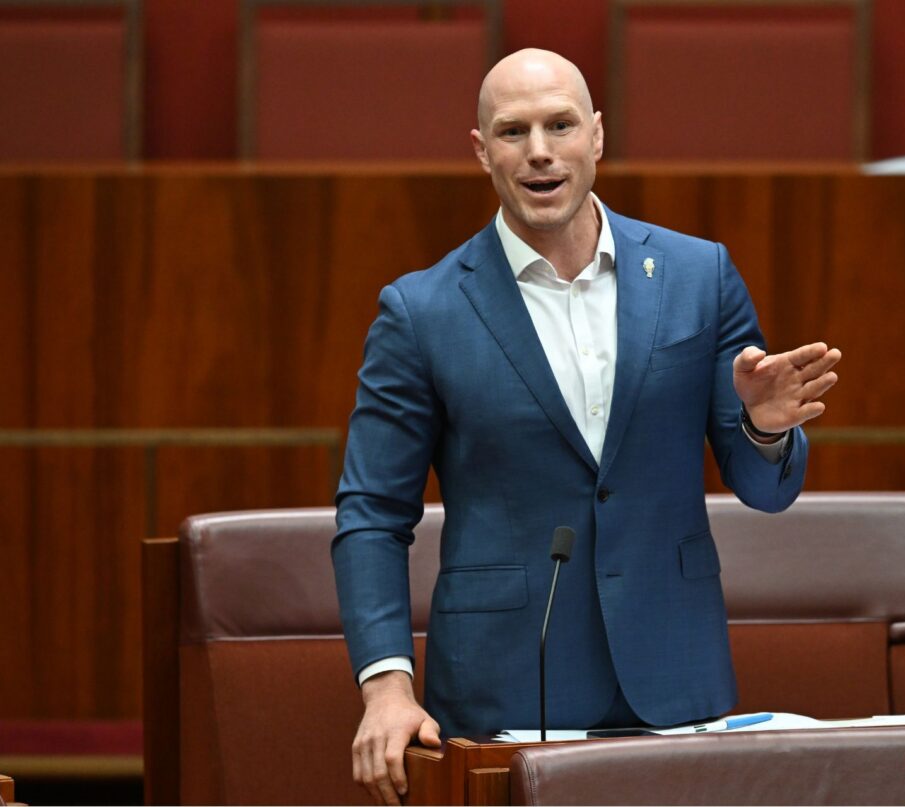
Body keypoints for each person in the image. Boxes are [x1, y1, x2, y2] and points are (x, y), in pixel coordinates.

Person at [332, 48, 841, 804]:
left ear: (596, 137)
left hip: (674, 684)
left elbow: (765, 490)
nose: (539, 151)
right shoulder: (421, 312)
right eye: (513, 131)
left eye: (560, 124)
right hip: (503, 694)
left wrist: (763, 430)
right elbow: (372, 513)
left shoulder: (698, 276)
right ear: (482, 152)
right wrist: (386, 687)